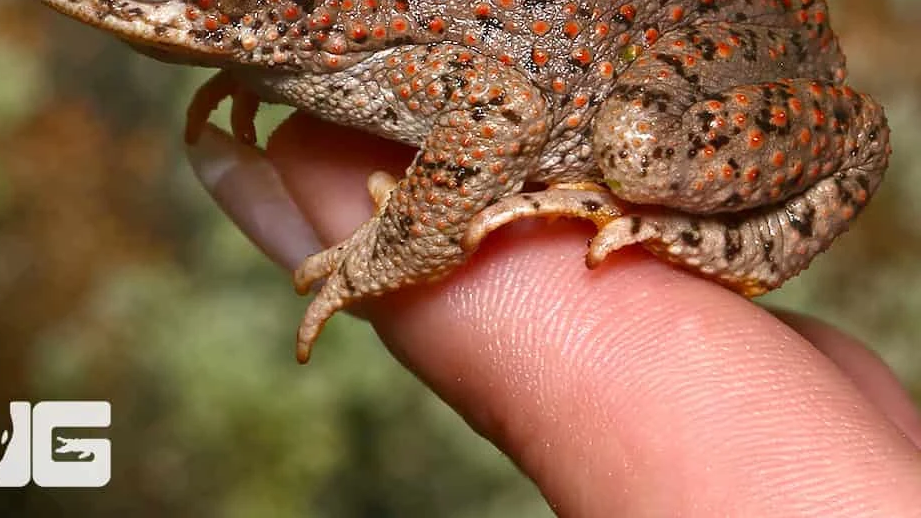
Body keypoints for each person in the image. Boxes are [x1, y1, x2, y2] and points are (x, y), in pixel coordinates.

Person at [189, 114, 921, 516]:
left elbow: (503, 109)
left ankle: (717, 234)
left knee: (637, 146)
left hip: (650, 62)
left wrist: (398, 244)